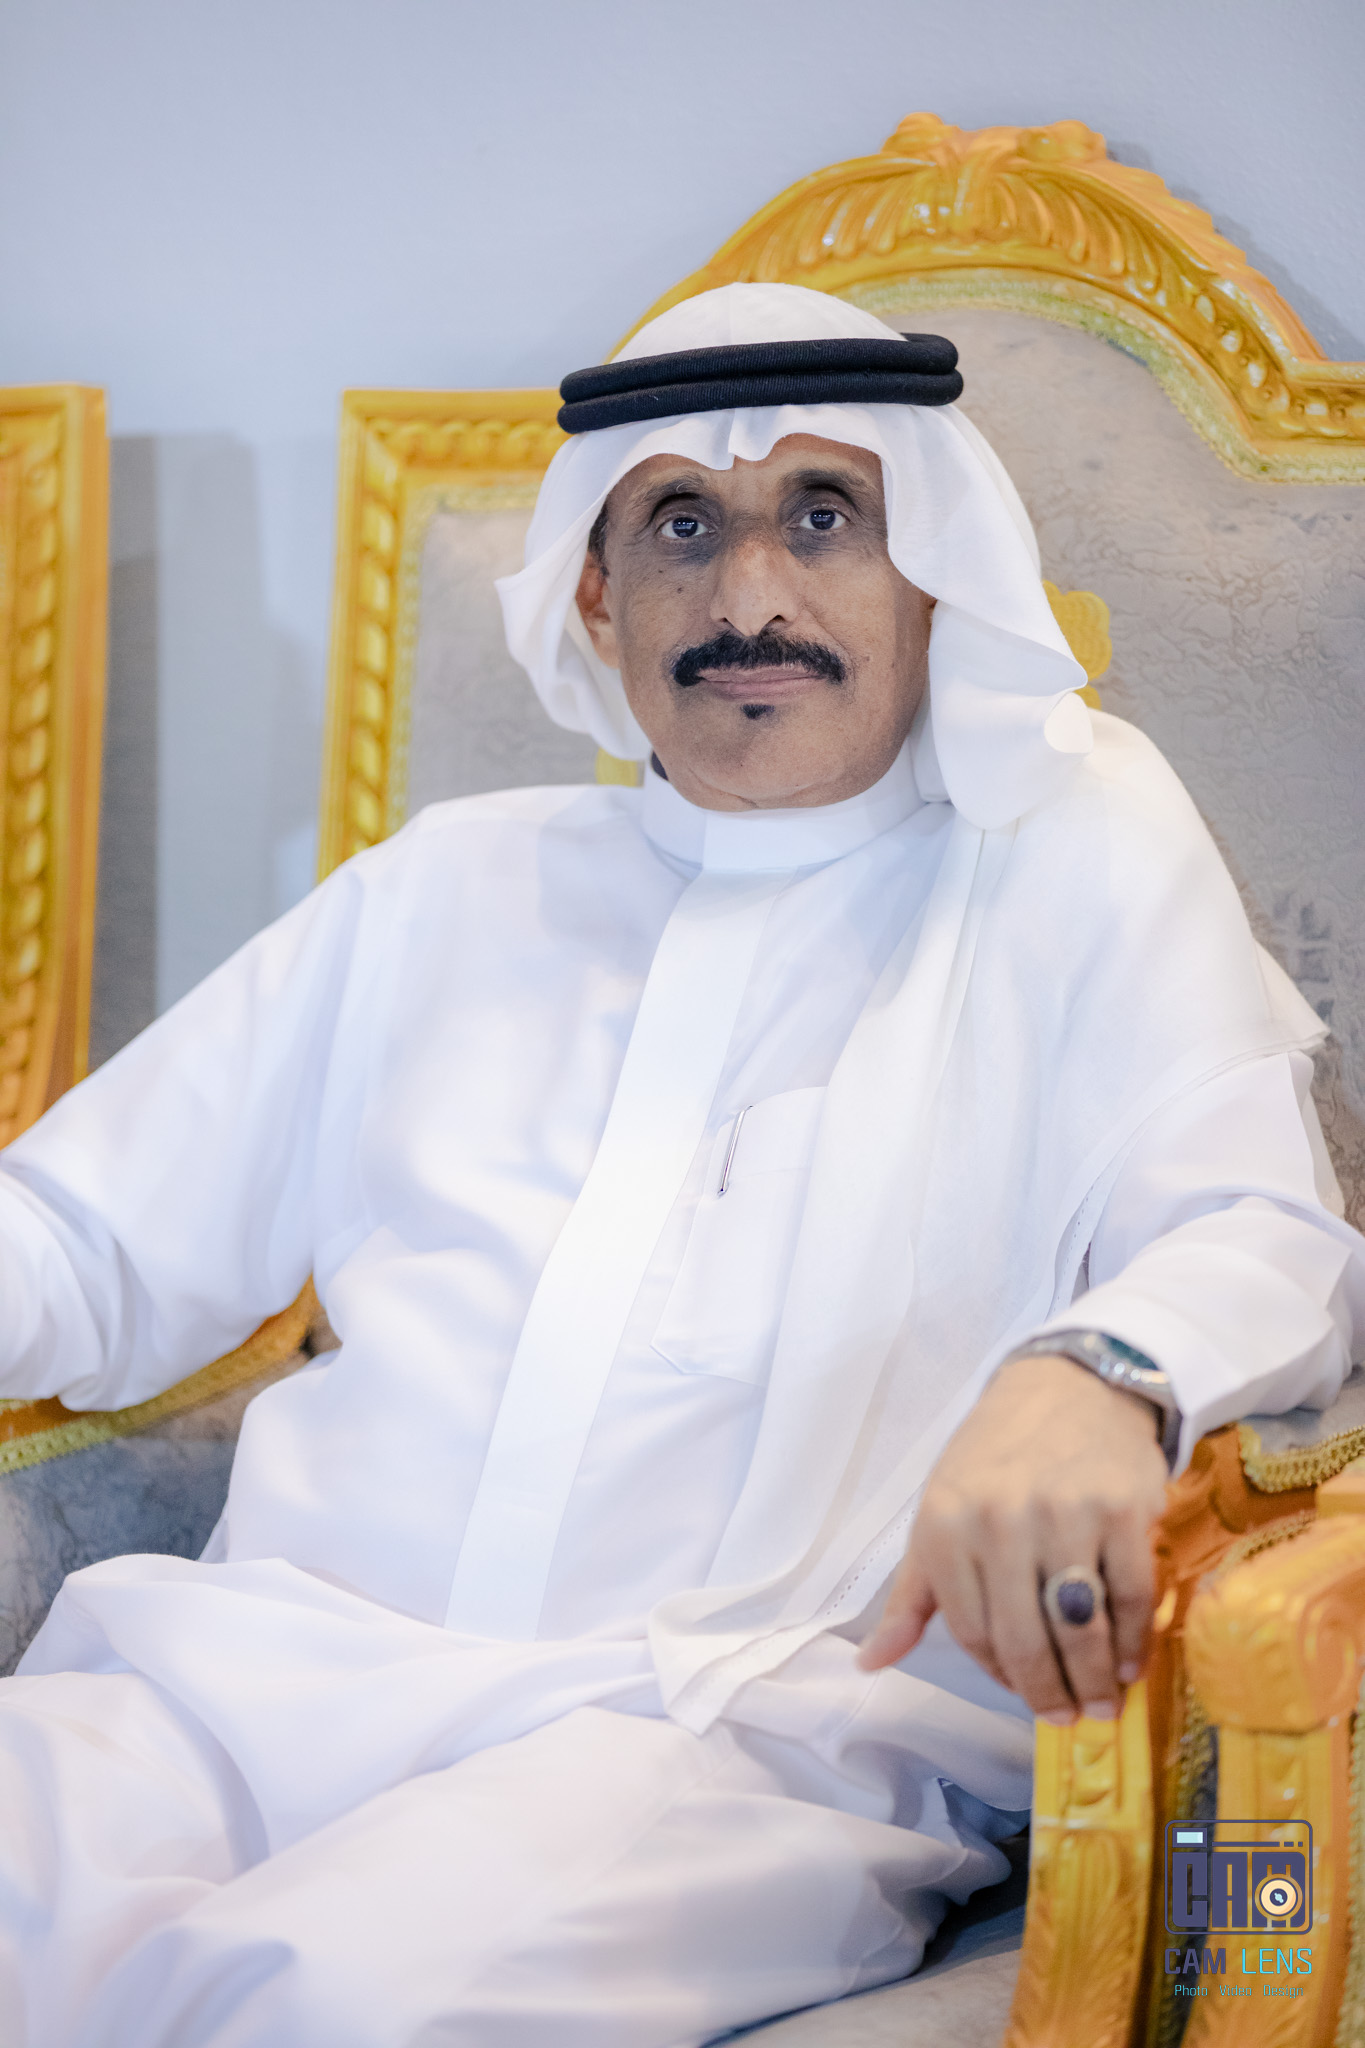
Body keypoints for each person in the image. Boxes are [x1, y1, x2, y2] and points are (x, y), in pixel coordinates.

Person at [0, 282, 1359, 2048]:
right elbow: (80, 1238)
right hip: (243, 1678)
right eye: (680, 527)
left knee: (319, 2008)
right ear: (596, 592)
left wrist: (1094, 1373)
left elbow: (1261, 1234)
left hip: (725, 1735)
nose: (748, 600)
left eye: (824, 516)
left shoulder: (1066, 843)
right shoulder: (447, 883)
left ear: (932, 569)